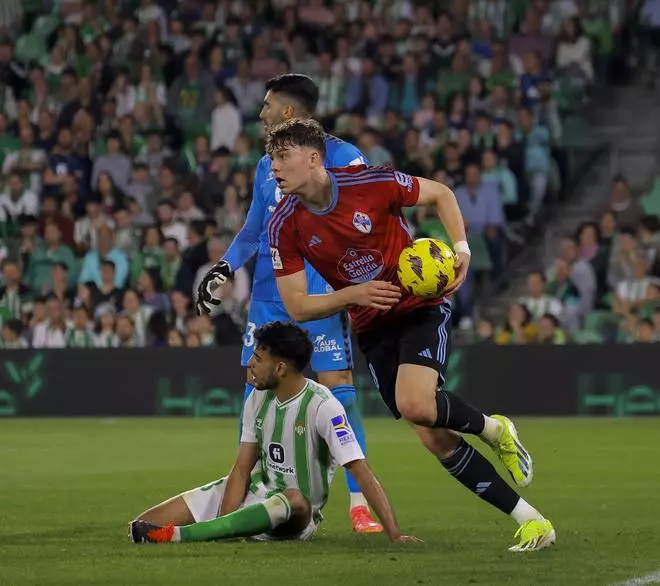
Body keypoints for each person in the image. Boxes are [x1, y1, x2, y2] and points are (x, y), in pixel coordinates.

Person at [262, 118, 556, 552]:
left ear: (313, 159)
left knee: (415, 402)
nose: (274, 169)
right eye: (271, 159)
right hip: (371, 326)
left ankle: (494, 432)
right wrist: (354, 294)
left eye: (283, 157)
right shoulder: (284, 225)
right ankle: (531, 520)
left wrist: (461, 250)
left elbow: (441, 193)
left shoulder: (371, 183)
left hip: (419, 307)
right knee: (432, 435)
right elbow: (297, 306)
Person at [196, 74, 381, 533]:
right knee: (254, 385)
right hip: (267, 296)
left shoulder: (344, 159)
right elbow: (255, 230)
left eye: (267, 105)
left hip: (319, 290)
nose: (260, 114)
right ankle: (251, 493)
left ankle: (359, 502)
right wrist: (224, 266)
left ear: (288, 113)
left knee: (337, 387)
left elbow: (366, 218)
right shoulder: (265, 166)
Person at [129, 321, 418, 544]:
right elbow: (241, 469)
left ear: (280, 368)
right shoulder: (257, 397)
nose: (249, 363)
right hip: (257, 491)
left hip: (297, 515)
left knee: (294, 498)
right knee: (141, 525)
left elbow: (360, 469)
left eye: (257, 357)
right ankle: (222, 529)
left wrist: (395, 534)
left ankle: (182, 536)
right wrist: (225, 522)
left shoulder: (322, 406)